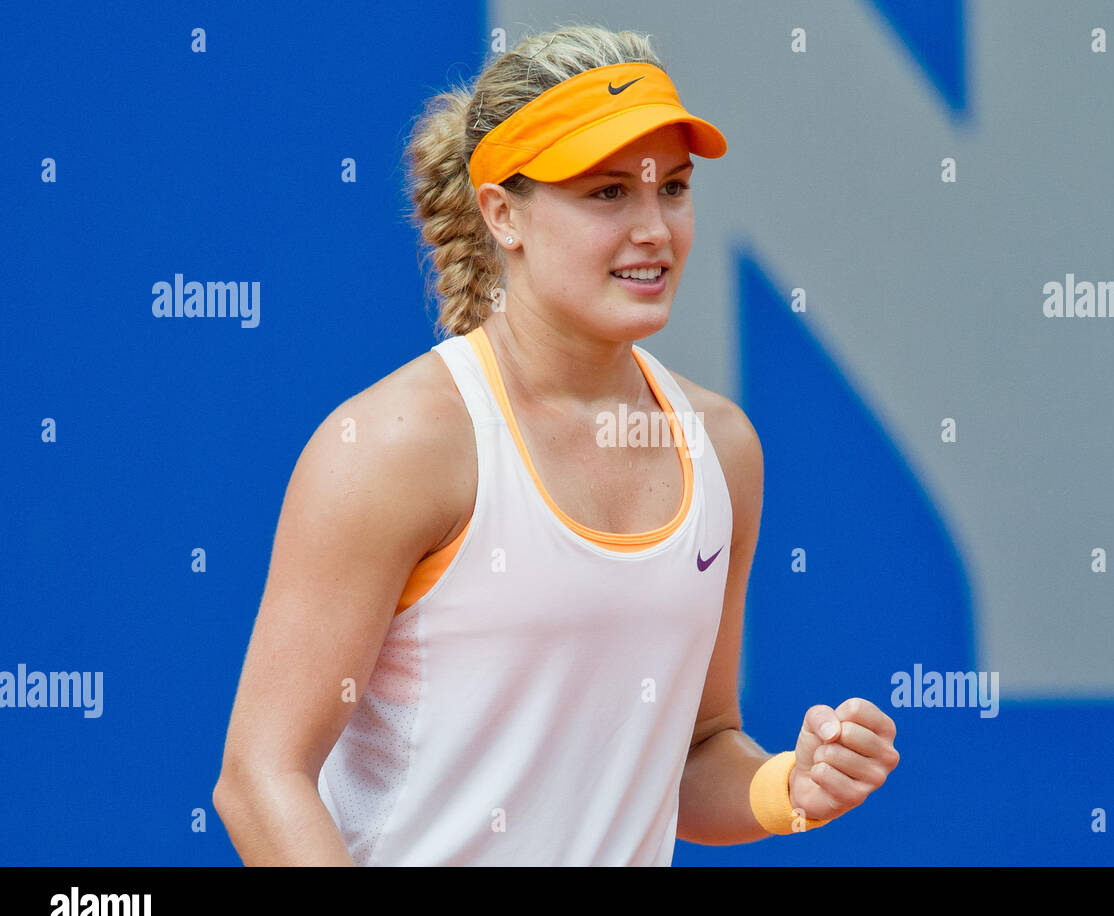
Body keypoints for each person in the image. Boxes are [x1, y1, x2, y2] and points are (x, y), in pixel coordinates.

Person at [212, 24, 899, 866]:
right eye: (608, 194)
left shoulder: (723, 447)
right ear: (503, 213)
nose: (655, 228)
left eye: (673, 189)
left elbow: (692, 750)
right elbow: (260, 776)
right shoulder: (395, 446)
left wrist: (786, 787)